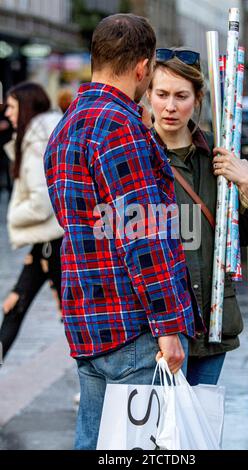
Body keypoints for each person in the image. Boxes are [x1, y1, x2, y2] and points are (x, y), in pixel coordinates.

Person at [44, 15, 203, 450]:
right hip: (133, 326)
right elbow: (144, 237)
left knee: (94, 443)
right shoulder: (120, 127)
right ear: (142, 69)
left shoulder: (64, 130)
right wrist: (170, 327)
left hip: (87, 323)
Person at [146, 47, 248, 386]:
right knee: (163, 433)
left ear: (197, 99)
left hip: (213, 319)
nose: (170, 107)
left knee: (199, 430)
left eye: (181, 96)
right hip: (161, 327)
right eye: (162, 94)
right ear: (149, 96)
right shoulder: (138, 155)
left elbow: (238, 238)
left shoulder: (218, 153)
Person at [0, 82, 63, 360]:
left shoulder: (37, 141)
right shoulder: (36, 137)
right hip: (48, 244)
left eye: (11, 107)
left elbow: (41, 202)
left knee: (68, 314)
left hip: (53, 245)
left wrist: (12, 216)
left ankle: (92, 378)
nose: (7, 113)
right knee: (15, 305)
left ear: (25, 106)